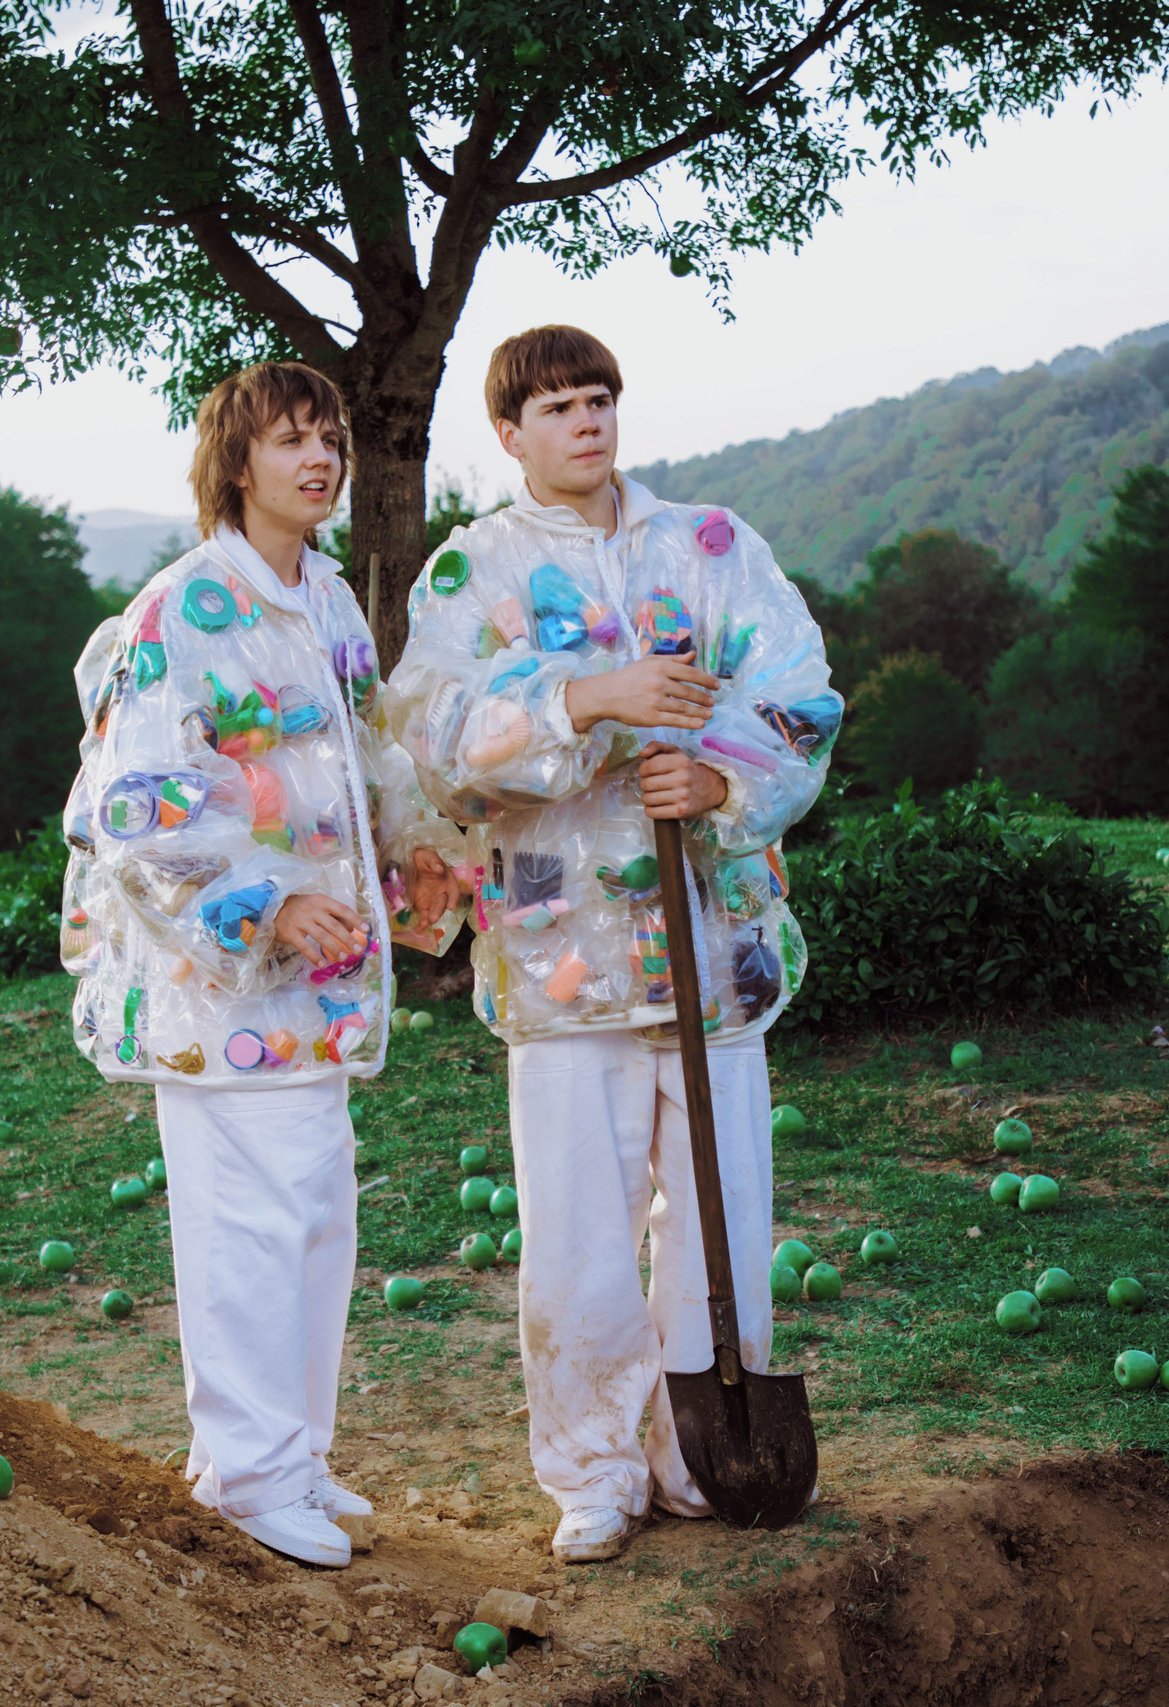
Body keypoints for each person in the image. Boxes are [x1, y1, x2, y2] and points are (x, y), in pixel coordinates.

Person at [385, 325, 843, 1562]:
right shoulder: (468, 575)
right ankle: (591, 1469)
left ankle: (698, 1455)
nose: (585, 423)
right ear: (509, 434)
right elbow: (430, 739)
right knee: (580, 1237)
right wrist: (590, 699)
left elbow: (799, 695)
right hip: (558, 961)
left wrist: (718, 779)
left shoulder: (708, 548)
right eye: (556, 408)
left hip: (714, 952)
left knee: (719, 1221)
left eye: (598, 400)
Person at [60, 362, 466, 1567]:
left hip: (312, 983)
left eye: (330, 434)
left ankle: (288, 1459)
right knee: (246, 1227)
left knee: (311, 1221)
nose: (322, 457)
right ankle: (244, 1477)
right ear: (237, 464)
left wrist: (421, 858)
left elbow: (367, 757)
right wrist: (268, 902)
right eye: (293, 439)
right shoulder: (179, 612)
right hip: (218, 989)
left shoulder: (328, 600)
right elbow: (141, 808)